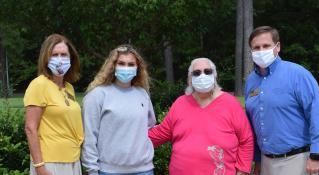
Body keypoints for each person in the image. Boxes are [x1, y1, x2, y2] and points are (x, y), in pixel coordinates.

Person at [148, 58, 254, 175]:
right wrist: (131, 137)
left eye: (207, 71)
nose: (202, 75)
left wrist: (242, 170)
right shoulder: (180, 103)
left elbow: (246, 139)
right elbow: (161, 133)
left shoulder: (230, 104)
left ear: (214, 76)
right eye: (197, 73)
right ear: (190, 79)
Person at [244, 26, 319, 175]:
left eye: (266, 46)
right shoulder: (251, 81)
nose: (261, 50)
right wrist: (258, 159)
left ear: (278, 47)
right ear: (251, 51)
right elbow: (252, 123)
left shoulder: (298, 75)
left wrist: (316, 155)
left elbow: (316, 114)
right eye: (256, 47)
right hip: (265, 161)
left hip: (296, 160)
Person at [82, 44, 156, 175]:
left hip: (144, 170)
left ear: (137, 68)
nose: (126, 68)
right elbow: (90, 136)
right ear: (113, 66)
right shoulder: (97, 95)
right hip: (109, 171)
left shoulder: (142, 94)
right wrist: (92, 170)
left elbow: (149, 127)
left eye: (130, 64)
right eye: (121, 63)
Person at [24, 34, 84, 175]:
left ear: (71, 58)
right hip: (50, 163)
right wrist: (40, 167)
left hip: (73, 160)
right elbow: (30, 128)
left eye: (63, 54)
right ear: (46, 58)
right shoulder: (39, 85)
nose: (59, 59)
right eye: (54, 55)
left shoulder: (69, 88)